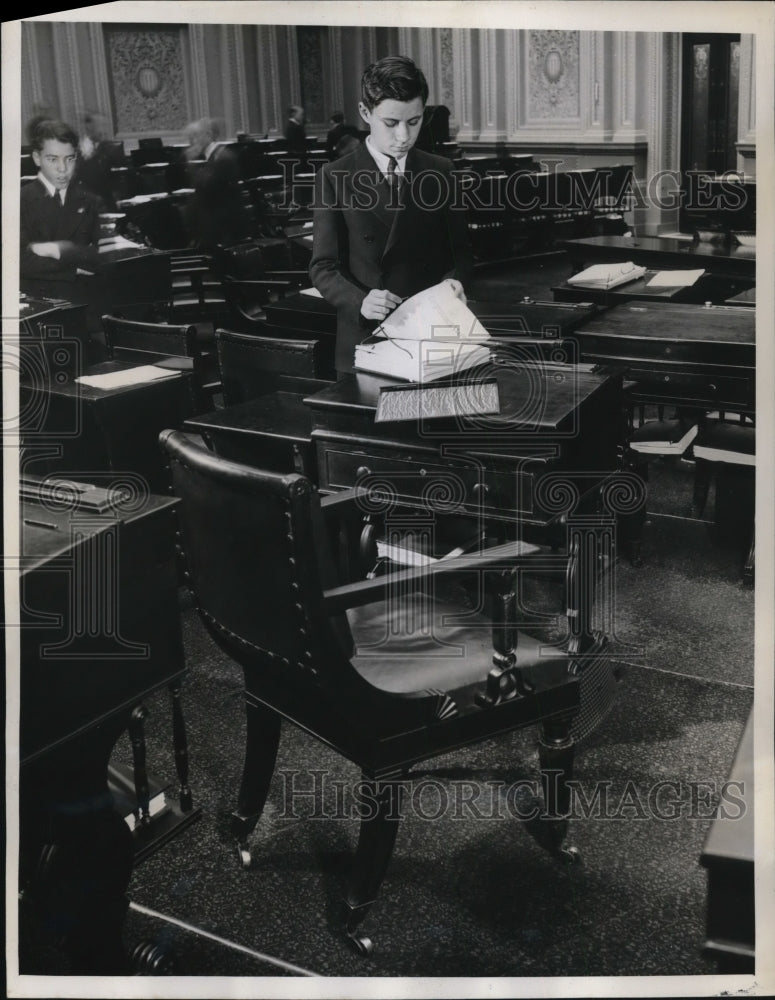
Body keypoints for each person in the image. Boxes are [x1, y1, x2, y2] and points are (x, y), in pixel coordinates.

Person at [309, 55, 472, 376]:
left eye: (414, 122)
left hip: (431, 333)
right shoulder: (334, 175)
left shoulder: (440, 170)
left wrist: (455, 282)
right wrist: (360, 300)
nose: (403, 137)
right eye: (391, 123)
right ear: (365, 112)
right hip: (368, 334)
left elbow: (461, 253)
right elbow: (323, 266)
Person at [20, 118, 104, 300]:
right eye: (53, 159)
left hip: (86, 302)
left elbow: (102, 256)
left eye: (69, 159)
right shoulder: (19, 201)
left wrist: (57, 250)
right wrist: (73, 266)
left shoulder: (90, 201)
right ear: (37, 158)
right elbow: (18, 261)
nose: (63, 169)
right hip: (38, 304)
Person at [180, 117, 248, 249]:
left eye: (196, 136)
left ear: (209, 135)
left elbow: (204, 187)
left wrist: (190, 162)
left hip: (224, 226)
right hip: (219, 220)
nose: (192, 141)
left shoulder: (222, 158)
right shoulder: (216, 155)